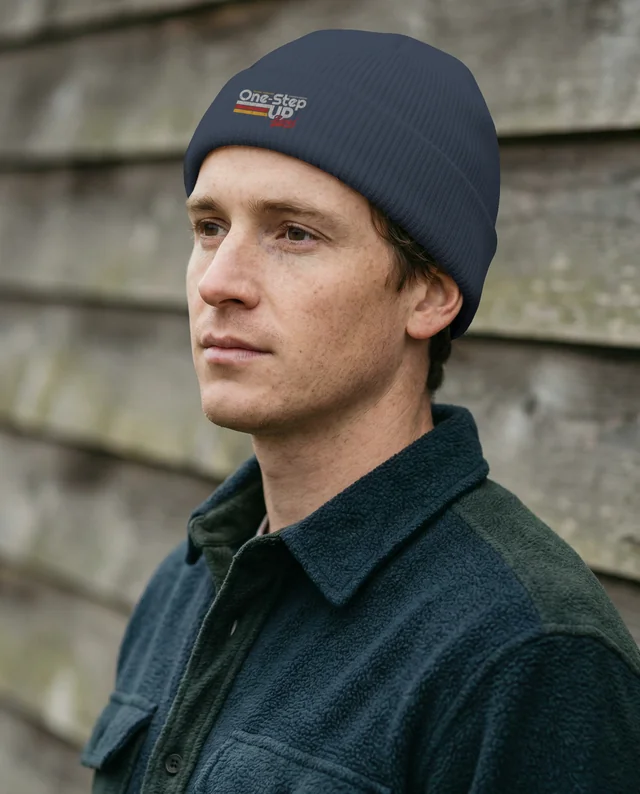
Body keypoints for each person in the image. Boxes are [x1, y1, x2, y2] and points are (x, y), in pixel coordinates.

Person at [81, 29, 640, 793]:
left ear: (431, 293)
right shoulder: (190, 582)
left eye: (294, 234)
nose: (219, 280)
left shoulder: (529, 655)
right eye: (209, 227)